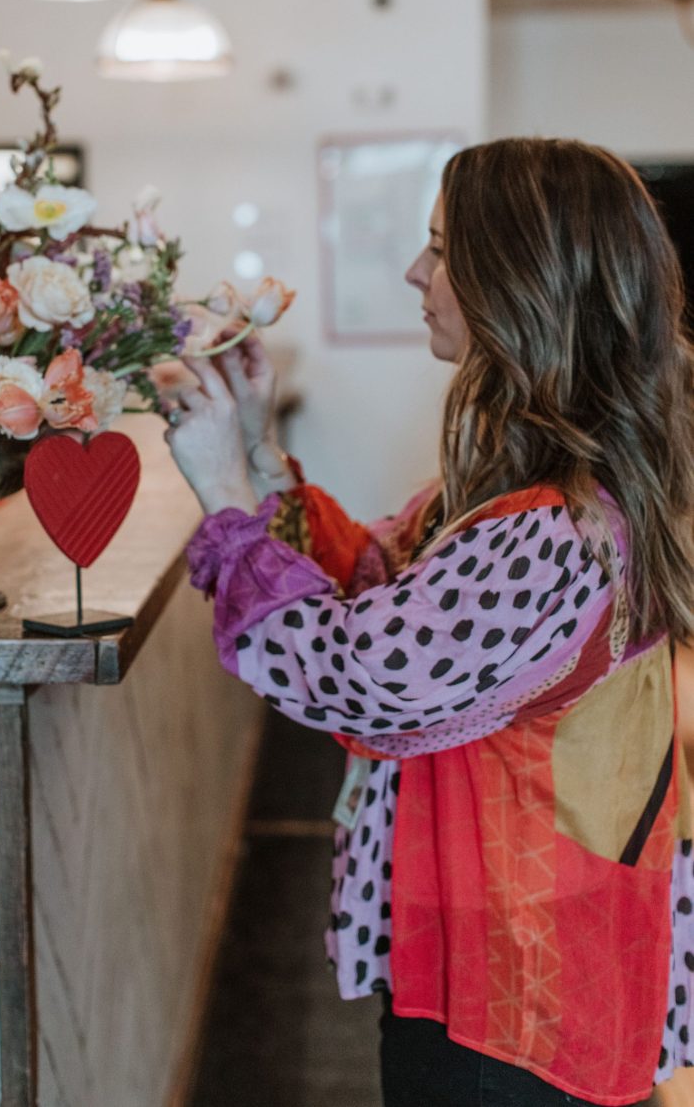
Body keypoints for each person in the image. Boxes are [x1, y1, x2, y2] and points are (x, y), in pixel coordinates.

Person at [165, 137, 694, 1107]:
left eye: (443, 249)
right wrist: (254, 441)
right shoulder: (537, 485)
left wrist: (229, 502)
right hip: (511, 941)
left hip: (521, 976)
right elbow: (383, 582)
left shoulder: (557, 527)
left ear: (518, 281)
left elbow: (361, 673)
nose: (417, 272)